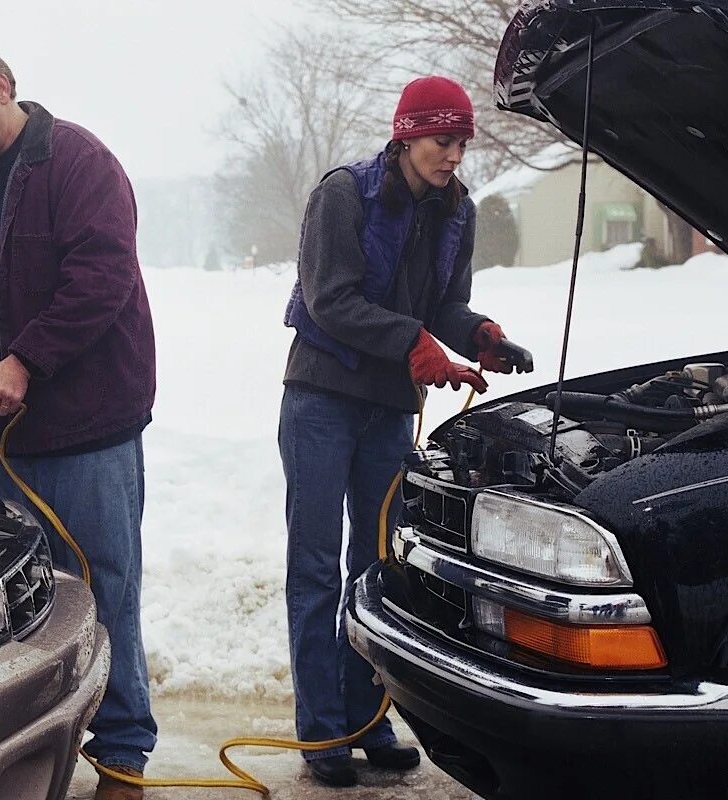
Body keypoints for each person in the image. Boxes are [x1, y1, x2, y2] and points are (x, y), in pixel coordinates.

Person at [0, 32, 156, 800]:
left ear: (4, 86)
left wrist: (24, 360)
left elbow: (102, 278)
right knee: (18, 598)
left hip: (89, 427)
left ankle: (121, 757)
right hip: (6, 433)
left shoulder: (81, 163)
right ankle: (29, 746)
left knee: (103, 589)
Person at [278, 75, 517, 788]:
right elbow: (330, 300)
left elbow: (445, 303)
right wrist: (414, 342)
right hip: (321, 398)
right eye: (443, 140)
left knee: (378, 567)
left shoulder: (456, 210)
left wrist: (478, 334)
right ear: (407, 134)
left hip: (390, 408)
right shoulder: (343, 195)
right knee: (317, 568)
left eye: (461, 143)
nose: (453, 155)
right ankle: (322, 733)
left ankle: (367, 720)